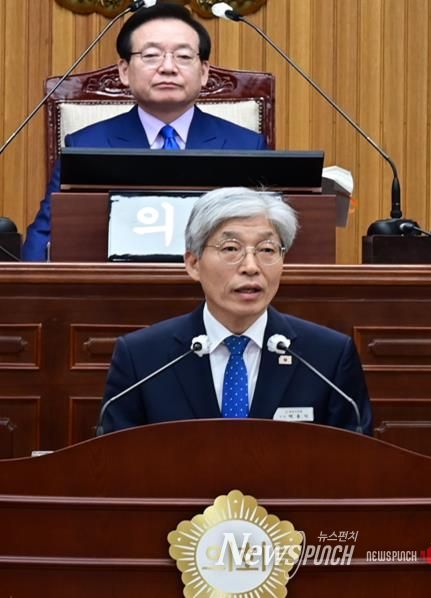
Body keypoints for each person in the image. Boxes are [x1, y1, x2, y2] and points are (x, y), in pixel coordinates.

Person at [100, 187, 373, 435]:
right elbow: (115, 463)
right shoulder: (143, 359)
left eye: (267, 249)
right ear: (193, 263)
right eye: (231, 248)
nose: (251, 267)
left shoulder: (327, 358)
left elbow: (355, 464)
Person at [22, 3, 266, 261]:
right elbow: (44, 241)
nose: (168, 67)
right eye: (151, 55)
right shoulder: (85, 145)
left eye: (183, 56)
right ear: (124, 71)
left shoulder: (247, 146)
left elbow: (271, 238)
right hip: (117, 282)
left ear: (204, 72)